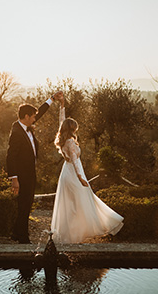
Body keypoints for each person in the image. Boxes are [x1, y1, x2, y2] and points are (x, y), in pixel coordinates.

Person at [51, 95, 124, 244]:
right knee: (81, 202)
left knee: (72, 205)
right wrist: (81, 178)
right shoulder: (70, 142)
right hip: (73, 173)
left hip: (66, 173)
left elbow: (61, 123)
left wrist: (62, 106)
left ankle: (71, 234)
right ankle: (79, 234)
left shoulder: (63, 139)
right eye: (75, 128)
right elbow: (76, 161)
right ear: (72, 129)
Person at [6, 91, 63, 244]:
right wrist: (14, 179)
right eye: (32, 117)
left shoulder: (25, 124)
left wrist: (51, 99)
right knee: (24, 205)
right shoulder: (17, 132)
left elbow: (41, 112)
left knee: (27, 203)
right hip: (22, 175)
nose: (34, 119)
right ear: (25, 117)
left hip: (30, 173)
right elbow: (10, 156)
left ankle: (16, 233)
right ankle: (23, 238)